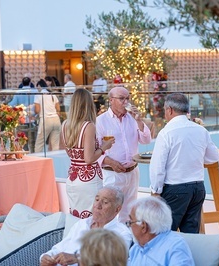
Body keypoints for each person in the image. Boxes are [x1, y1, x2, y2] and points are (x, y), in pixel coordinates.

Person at [149, 93, 219, 233]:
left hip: (175, 189)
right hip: (198, 188)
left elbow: (158, 166)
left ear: (169, 110)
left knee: (165, 234)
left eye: (164, 110)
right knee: (191, 236)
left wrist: (155, 191)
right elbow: (214, 157)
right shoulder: (200, 130)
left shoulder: (166, 133)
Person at [96, 86, 151, 222]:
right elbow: (95, 149)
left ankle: (126, 241)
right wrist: (111, 162)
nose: (125, 102)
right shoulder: (101, 121)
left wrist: (139, 120)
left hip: (132, 172)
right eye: (121, 99)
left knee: (129, 212)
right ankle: (111, 241)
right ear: (111, 100)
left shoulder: (132, 119)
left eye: (127, 98)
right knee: (110, 212)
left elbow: (146, 140)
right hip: (113, 173)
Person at [40, 186, 132, 266]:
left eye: (105, 202)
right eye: (96, 200)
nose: (97, 205)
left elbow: (113, 261)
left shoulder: (122, 233)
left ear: (117, 209)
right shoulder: (82, 224)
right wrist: (46, 257)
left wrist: (78, 259)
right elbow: (60, 247)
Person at [61, 88, 114, 218]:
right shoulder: (88, 126)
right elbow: (89, 158)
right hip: (88, 180)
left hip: (73, 178)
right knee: (92, 218)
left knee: (75, 218)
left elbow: (69, 152)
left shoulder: (65, 125)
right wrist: (103, 147)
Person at [127, 196, 195, 266]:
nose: (129, 226)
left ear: (143, 226)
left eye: (131, 222)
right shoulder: (137, 248)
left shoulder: (175, 246)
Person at [34, 79, 61, 152]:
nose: (37, 89)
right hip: (56, 119)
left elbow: (37, 110)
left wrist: (34, 112)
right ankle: (56, 161)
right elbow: (58, 108)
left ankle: (37, 160)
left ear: (39, 86)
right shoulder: (52, 94)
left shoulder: (38, 95)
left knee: (39, 144)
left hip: (45, 120)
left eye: (37, 88)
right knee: (55, 144)